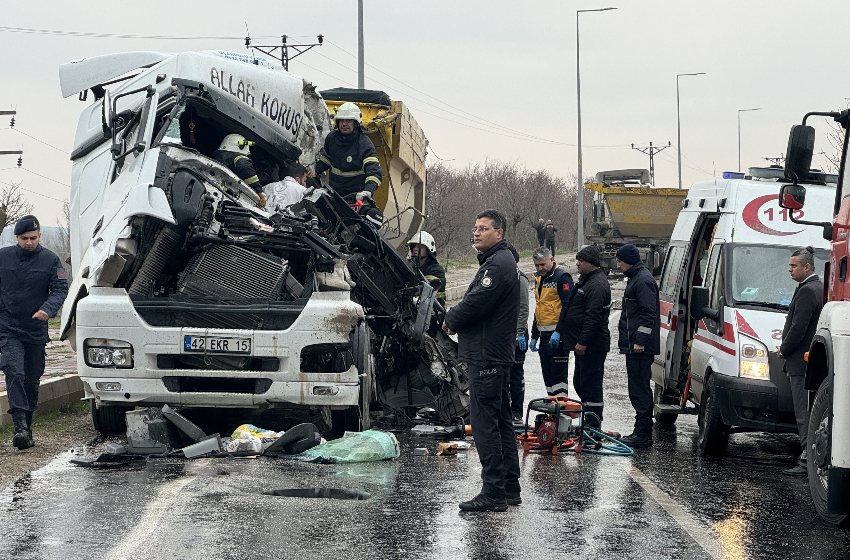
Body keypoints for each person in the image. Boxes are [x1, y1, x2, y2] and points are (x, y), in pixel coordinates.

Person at [443, 209, 520, 512]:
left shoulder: (498, 265)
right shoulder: (499, 261)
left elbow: (476, 302)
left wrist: (451, 319)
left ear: (499, 233)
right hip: (494, 354)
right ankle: (509, 488)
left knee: (484, 424)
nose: (476, 233)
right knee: (500, 423)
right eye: (475, 228)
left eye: (483, 229)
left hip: (488, 355)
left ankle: (493, 492)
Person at [1, 215, 68, 450]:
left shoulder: (50, 259)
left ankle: (27, 428)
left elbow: (60, 289)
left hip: (35, 328)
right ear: (16, 237)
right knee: (13, 369)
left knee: (31, 378)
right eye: (23, 238)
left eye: (32, 238)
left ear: (40, 236)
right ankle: (19, 426)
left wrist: (47, 310)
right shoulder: (3, 257)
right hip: (7, 326)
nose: (28, 242)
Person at [779, 246, 823, 476]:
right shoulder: (816, 287)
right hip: (806, 360)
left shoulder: (807, 291)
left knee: (803, 412)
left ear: (807, 267)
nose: (789, 269)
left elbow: (798, 328)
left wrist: (784, 350)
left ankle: (806, 460)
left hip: (801, 362)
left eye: (794, 265)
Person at [559, 245, 610, 429]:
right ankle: (588, 420)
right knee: (580, 383)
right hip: (584, 346)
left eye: (581, 260)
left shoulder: (597, 285)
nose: (577, 263)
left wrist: (583, 341)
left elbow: (593, 317)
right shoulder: (587, 280)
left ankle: (593, 425)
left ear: (591, 262)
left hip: (593, 346)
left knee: (591, 386)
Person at [615, 244, 660, 448]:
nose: (617, 264)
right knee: (636, 387)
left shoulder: (642, 280)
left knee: (639, 388)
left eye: (620, 261)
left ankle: (642, 433)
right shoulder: (637, 277)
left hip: (639, 347)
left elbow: (648, 312)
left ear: (629, 261)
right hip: (634, 345)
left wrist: (640, 341)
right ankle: (641, 431)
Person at [314, 102, 383, 201]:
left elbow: (374, 172)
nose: (344, 124)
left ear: (356, 123)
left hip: (356, 198)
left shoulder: (365, 145)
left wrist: (368, 191)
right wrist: (313, 171)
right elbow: (326, 159)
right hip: (334, 195)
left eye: (348, 120)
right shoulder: (331, 138)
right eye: (341, 120)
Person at [529, 247, 574, 397]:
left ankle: (561, 409)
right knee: (548, 377)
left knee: (558, 378)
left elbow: (568, 307)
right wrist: (534, 334)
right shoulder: (539, 279)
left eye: (542, 264)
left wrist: (559, 331)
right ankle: (552, 408)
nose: (540, 268)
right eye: (537, 265)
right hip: (544, 335)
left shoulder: (562, 277)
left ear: (551, 260)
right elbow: (539, 307)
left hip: (557, 336)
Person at [506, 243, 530, 423]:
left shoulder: (519, 279)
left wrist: (519, 333)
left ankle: (517, 412)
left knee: (515, 375)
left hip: (516, 335)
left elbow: (523, 308)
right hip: (502, 335)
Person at [213, 133, 267, 206]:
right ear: (241, 146)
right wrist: (259, 192)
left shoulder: (217, 157)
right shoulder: (238, 157)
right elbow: (245, 167)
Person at [407, 231, 446, 309]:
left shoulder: (436, 270)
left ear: (428, 250)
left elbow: (425, 289)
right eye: (413, 246)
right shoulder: (409, 266)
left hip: (432, 313)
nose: (415, 249)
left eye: (420, 247)